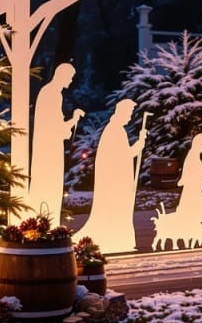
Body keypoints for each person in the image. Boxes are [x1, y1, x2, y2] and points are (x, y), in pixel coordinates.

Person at [79, 99, 147, 254]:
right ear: (122, 112)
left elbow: (124, 155)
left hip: (116, 182)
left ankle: (121, 239)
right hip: (114, 184)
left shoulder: (116, 129)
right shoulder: (114, 130)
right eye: (129, 113)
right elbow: (122, 157)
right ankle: (116, 239)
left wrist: (139, 143)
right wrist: (139, 144)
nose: (130, 117)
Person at [28, 62, 84, 223]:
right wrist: (72, 120)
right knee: (49, 185)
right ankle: (44, 223)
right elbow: (55, 127)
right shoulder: (51, 94)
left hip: (49, 148)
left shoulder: (50, 92)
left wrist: (72, 120)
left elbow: (57, 126)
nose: (71, 81)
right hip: (49, 151)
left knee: (51, 185)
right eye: (70, 78)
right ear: (62, 76)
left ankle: (47, 222)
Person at [174, 133, 202, 244]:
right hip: (192, 190)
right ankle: (195, 233)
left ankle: (196, 233)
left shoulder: (194, 155)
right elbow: (191, 174)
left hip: (194, 189)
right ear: (198, 143)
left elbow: (195, 173)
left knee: (200, 209)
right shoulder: (193, 156)